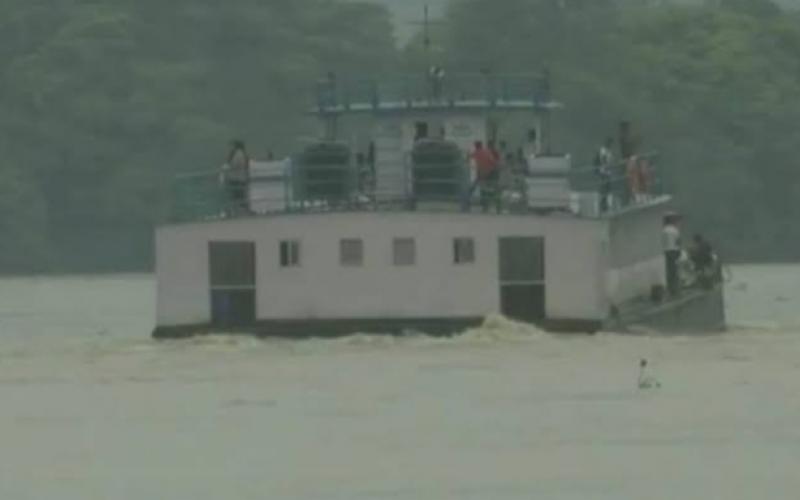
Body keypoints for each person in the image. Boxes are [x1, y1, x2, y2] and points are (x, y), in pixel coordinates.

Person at [466, 141, 500, 213]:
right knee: (490, 189)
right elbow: (493, 162)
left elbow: (468, 157)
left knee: (478, 189)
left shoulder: (476, 153)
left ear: (476, 146)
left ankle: (468, 202)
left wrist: (468, 153)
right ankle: (491, 205)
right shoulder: (487, 152)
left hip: (484, 173)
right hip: (489, 172)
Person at [222, 140, 250, 215]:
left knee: (237, 196)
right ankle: (241, 211)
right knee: (240, 196)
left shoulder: (238, 154)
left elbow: (235, 165)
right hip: (240, 178)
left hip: (236, 178)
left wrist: (228, 166)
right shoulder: (242, 153)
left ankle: (238, 212)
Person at [663, 213, 682, 296]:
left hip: (667, 252)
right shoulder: (674, 230)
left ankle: (671, 291)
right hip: (674, 251)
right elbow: (678, 241)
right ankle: (677, 291)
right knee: (675, 271)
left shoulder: (664, 230)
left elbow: (663, 242)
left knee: (669, 272)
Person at [595, 138, 614, 212]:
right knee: (604, 189)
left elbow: (610, 160)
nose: (611, 145)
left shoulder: (608, 151)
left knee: (608, 189)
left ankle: (605, 205)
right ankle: (602, 206)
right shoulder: (604, 150)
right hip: (604, 172)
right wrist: (606, 167)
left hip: (608, 172)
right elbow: (603, 160)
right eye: (610, 143)